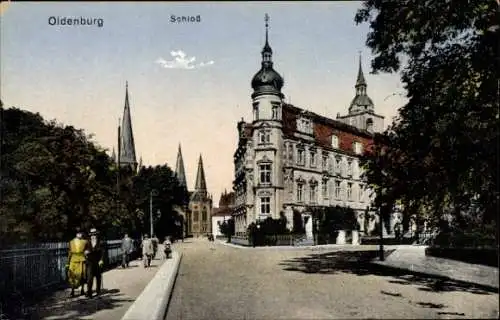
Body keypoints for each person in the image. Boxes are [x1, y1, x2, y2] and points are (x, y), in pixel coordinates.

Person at [66, 229, 88, 297]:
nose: (80, 234)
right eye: (78, 233)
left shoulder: (85, 242)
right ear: (76, 234)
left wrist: (87, 254)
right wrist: (67, 262)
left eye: (81, 233)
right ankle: (72, 291)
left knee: (82, 275)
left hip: (82, 260)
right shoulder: (71, 242)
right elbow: (69, 252)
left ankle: (82, 290)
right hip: (73, 260)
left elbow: (87, 250)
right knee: (71, 275)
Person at [85, 228, 105, 298]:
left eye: (94, 234)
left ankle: (98, 291)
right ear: (90, 235)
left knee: (98, 277)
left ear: (96, 235)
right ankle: (89, 292)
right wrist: (85, 252)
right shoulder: (87, 242)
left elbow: (102, 252)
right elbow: (84, 251)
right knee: (89, 277)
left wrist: (101, 260)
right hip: (89, 261)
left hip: (97, 261)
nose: (93, 236)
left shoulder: (100, 242)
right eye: (91, 235)